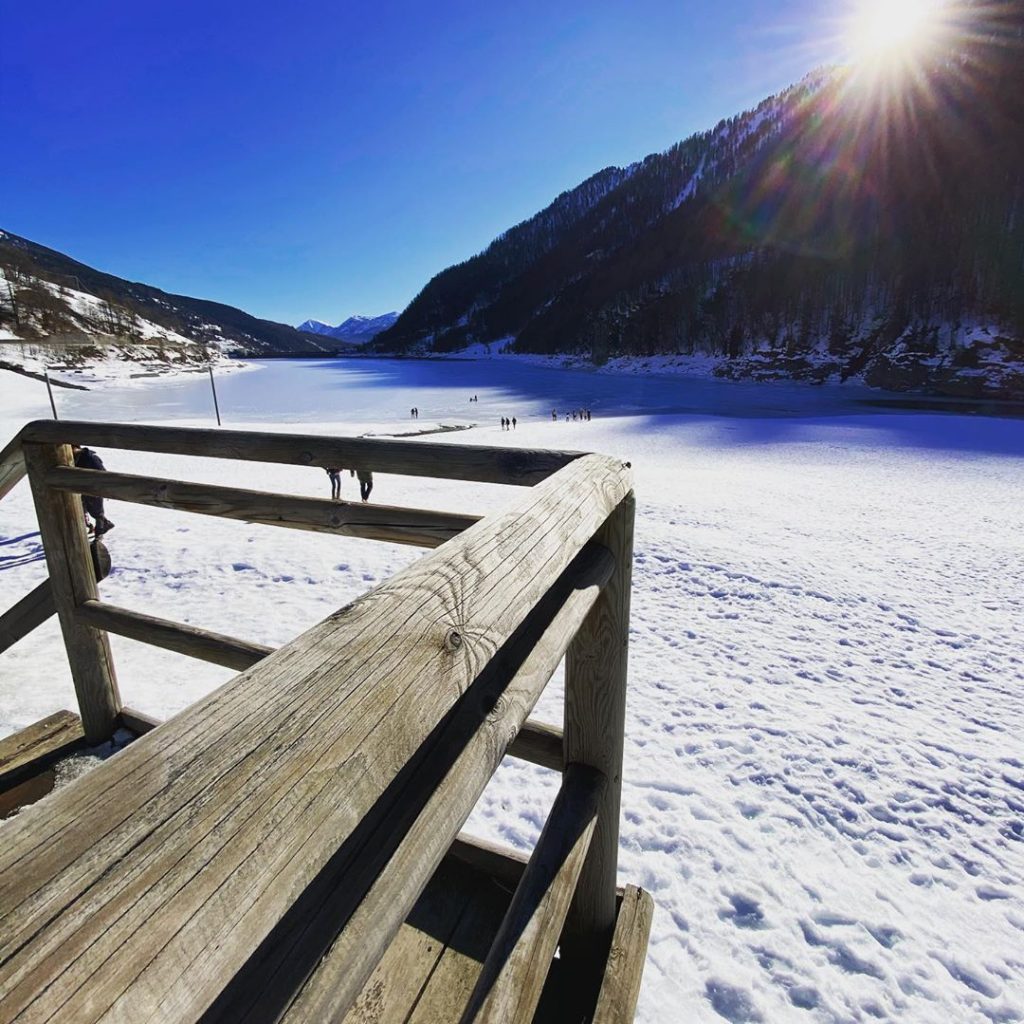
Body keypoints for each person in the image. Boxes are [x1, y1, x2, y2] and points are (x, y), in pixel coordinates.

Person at [72, 444, 114, 535]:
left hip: (94, 487)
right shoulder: (75, 459)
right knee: (86, 508)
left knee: (96, 510)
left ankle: (100, 531)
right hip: (84, 488)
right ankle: (102, 525)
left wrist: (102, 487)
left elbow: (102, 473)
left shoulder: (89, 458)